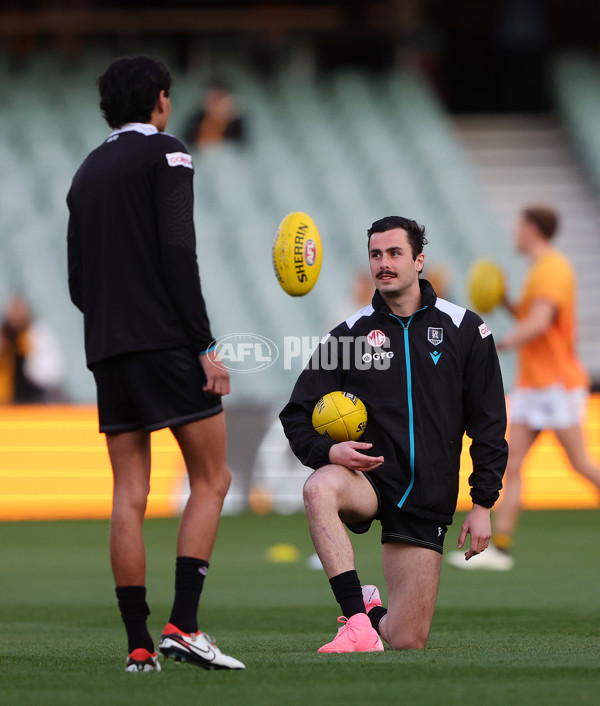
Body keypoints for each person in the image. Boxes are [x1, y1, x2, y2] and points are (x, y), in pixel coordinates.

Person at [67, 56, 244, 672]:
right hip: (165, 343)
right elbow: (178, 251)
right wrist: (202, 344)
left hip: (106, 349)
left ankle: (138, 645)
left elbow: (77, 284)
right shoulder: (168, 153)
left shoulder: (85, 173)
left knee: (129, 495)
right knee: (212, 479)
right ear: (161, 100)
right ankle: (184, 626)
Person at [279, 216, 508, 652]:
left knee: (406, 639)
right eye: (375, 254)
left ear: (419, 260)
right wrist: (329, 451)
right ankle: (356, 624)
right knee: (319, 488)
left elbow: (489, 423)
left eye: (394, 253)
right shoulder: (349, 335)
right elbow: (296, 414)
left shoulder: (466, 330)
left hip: (426, 495)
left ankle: (370, 613)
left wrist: (482, 503)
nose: (383, 263)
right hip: (368, 482)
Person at [448, 205, 600, 571]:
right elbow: (536, 317)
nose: (515, 233)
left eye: (519, 226)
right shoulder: (542, 269)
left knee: (579, 463)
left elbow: (542, 321)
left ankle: (499, 545)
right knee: (511, 463)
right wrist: (506, 303)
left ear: (532, 229)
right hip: (535, 384)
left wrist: (503, 341)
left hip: (555, 383)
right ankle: (499, 546)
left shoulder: (552, 267)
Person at [0, 293, 64, 404]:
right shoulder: (5, 336)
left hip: (33, 398)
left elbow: (51, 369)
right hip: (8, 400)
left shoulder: (36, 333)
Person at [185, 83, 245, 150]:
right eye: (214, 100)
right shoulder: (194, 124)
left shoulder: (235, 141)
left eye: (221, 99)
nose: (217, 106)